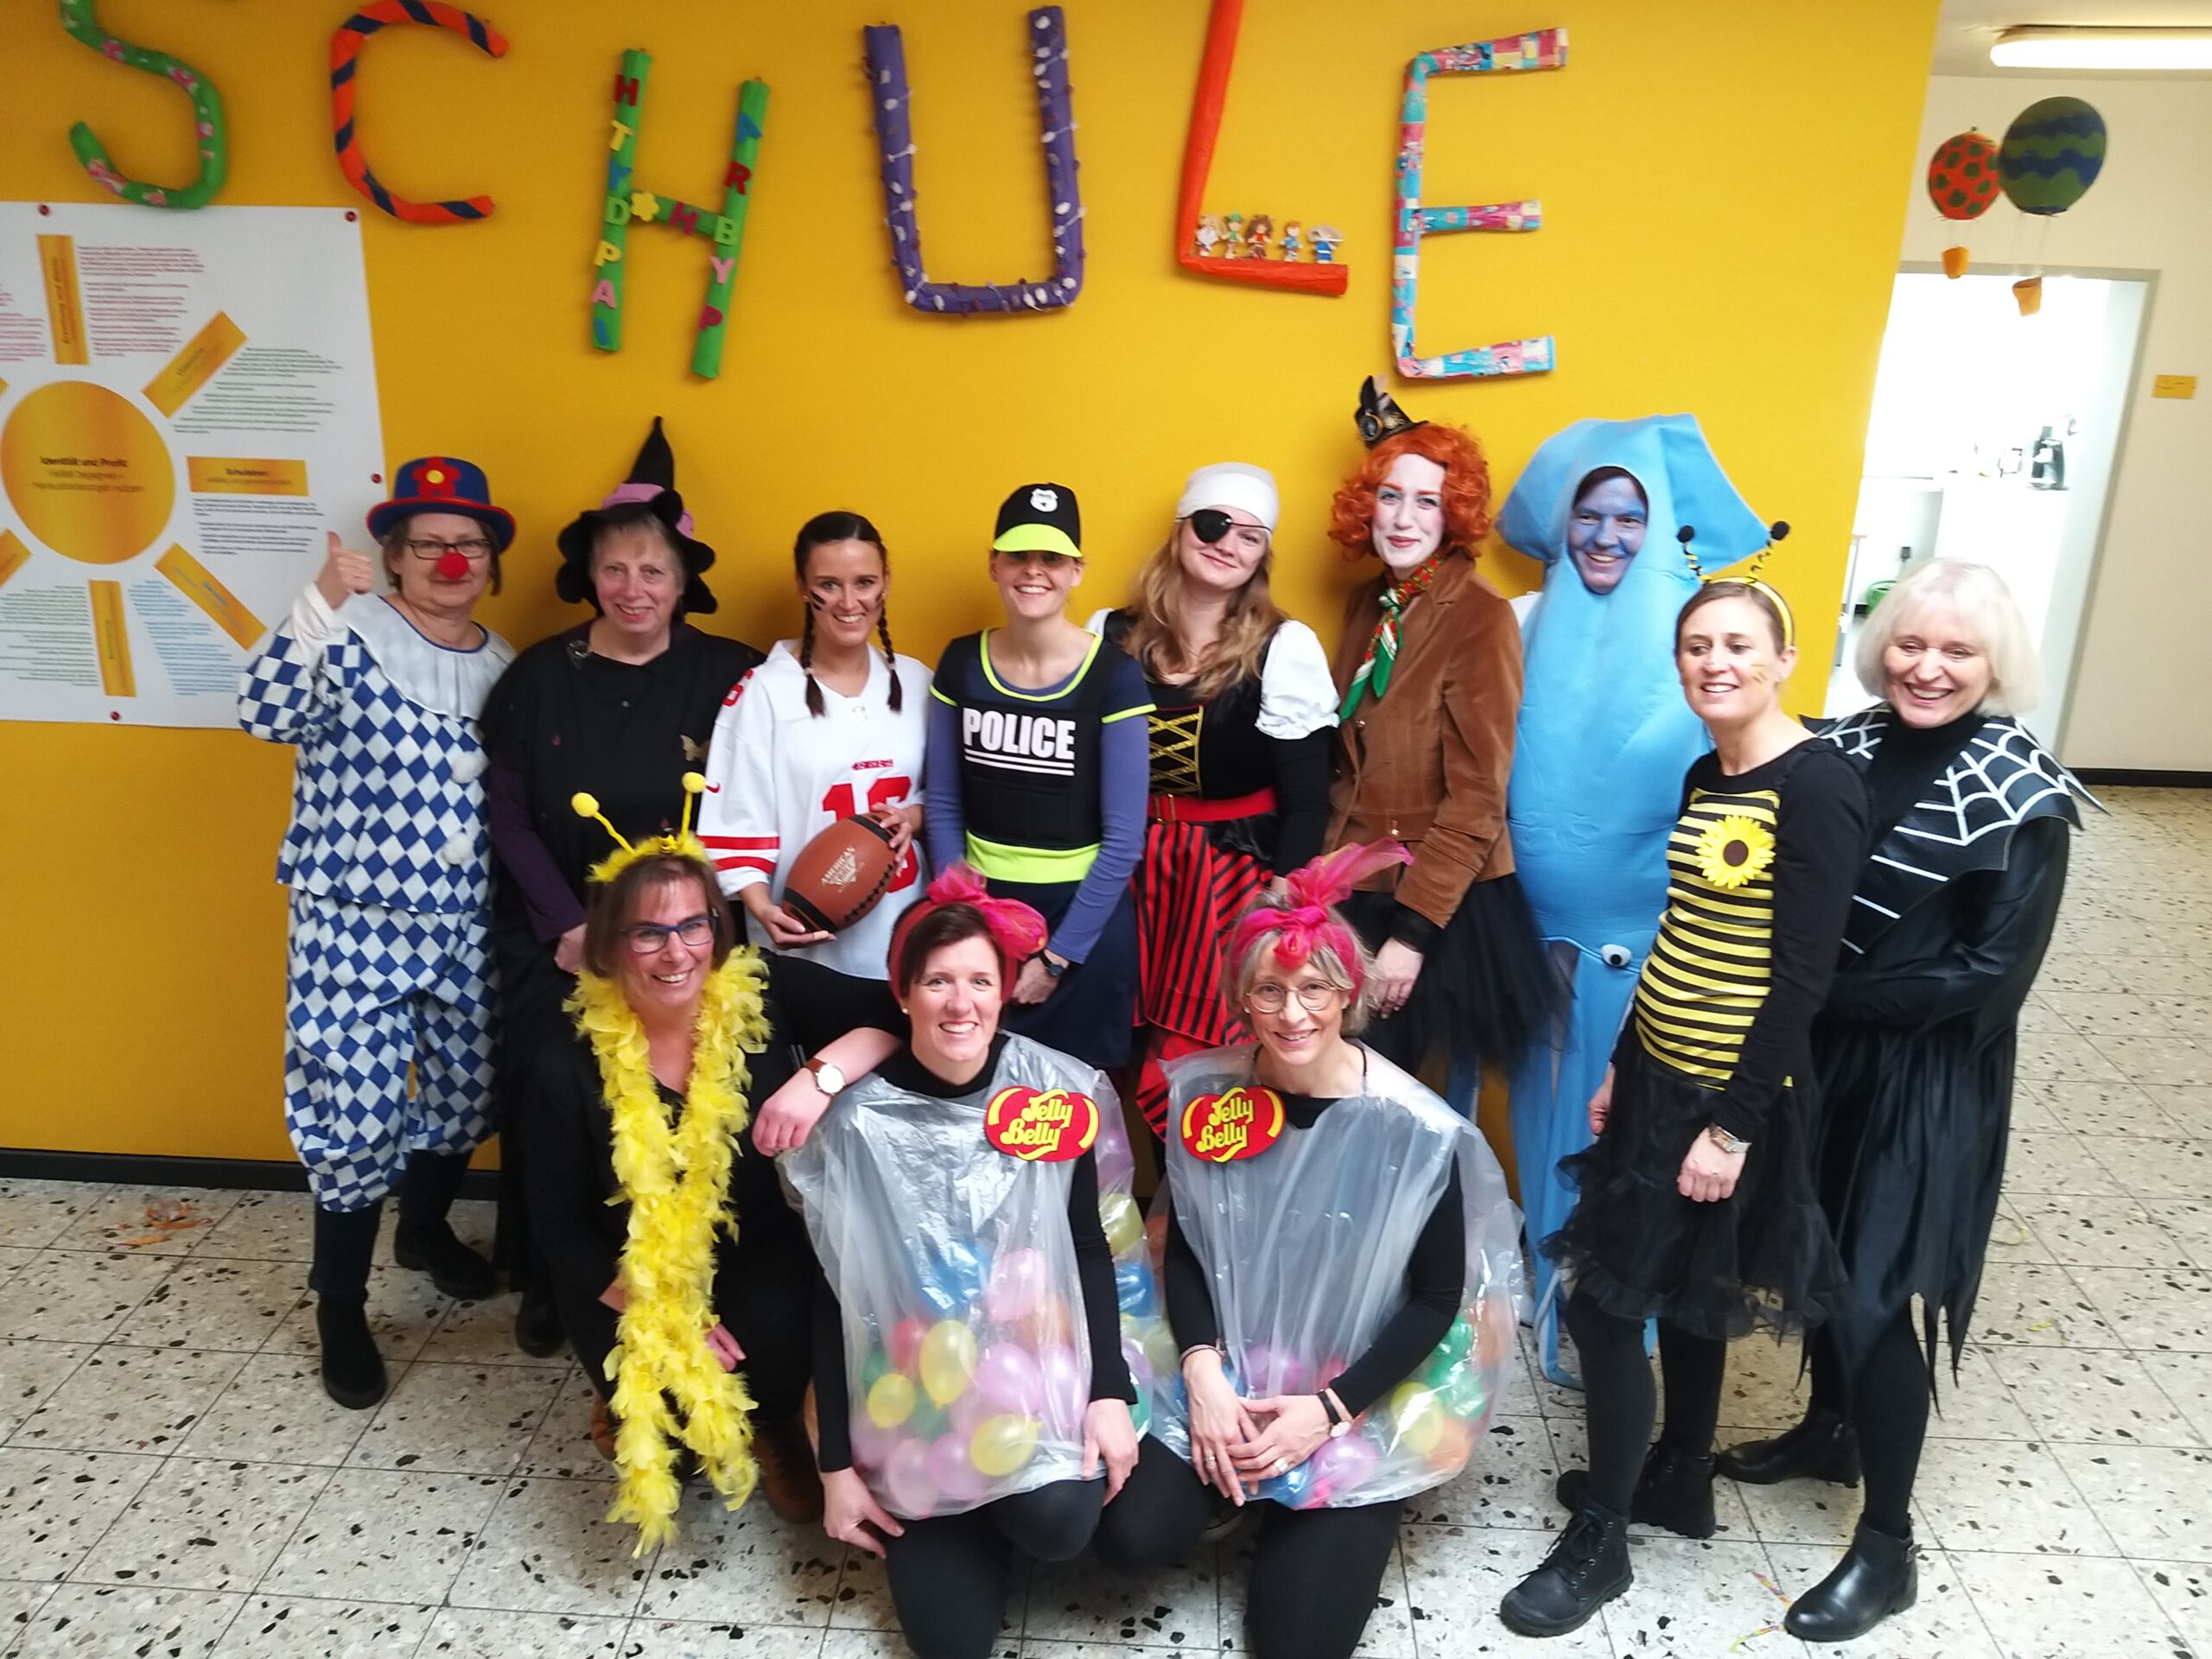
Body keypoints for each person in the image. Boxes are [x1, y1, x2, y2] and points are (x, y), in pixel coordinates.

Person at [1715, 559, 2091, 1643]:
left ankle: (1888, 1549)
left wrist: (1820, 998)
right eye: (1909, 644)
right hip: (1825, 1059)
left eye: (1957, 651)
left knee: (1877, 1290)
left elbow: (1988, 975)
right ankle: (1829, 1429)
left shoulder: (2023, 797)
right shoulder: (1841, 747)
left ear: (1994, 663)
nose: (1927, 668)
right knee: (1818, 1251)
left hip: (1926, 1079)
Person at [1499, 577, 1868, 1639]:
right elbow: (1683, 934)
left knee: (1607, 1308)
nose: (1716, 662)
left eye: (1740, 644)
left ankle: (1603, 1539)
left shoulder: (1817, 787)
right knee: (1690, 1291)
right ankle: (1678, 1476)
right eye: (1697, 645)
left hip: (1728, 1097)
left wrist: (1730, 1128)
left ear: (1784, 659)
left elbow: (1800, 982)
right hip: (1659, 1075)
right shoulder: (1710, 772)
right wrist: (1623, 1062)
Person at [1090, 842, 1523, 1659]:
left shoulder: (1415, 1131)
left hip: (1352, 1391)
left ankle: (1288, 1497)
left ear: (1349, 993)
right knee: (1127, 1537)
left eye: (1314, 988)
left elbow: (1436, 1299)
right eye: (1270, 990)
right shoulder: (1206, 1095)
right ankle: (1238, 1488)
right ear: (1241, 997)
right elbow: (1186, 1250)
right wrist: (1202, 1372)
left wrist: (1327, 1412)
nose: (1293, 1014)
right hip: (1228, 1371)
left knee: (1300, 1645)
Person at [784, 868, 1145, 1659]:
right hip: (910, 1395)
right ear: (902, 993)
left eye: (980, 981)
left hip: (1029, 1366)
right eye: (937, 981)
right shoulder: (857, 1125)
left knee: (1060, 1526)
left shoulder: (1051, 1093)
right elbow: (834, 1295)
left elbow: (1087, 1246)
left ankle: (1005, 1505)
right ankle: (967, 1517)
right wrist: (835, 1468)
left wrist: (1107, 1392)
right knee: (948, 1645)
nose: (961, 1002)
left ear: (1006, 990)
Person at [1495, 416, 1775, 1386]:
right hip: (1533, 941)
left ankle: (1629, 1325)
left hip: (1655, 958)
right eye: (1589, 514)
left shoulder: (1699, 638)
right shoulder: (1524, 622)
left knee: (1634, 1139)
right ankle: (1550, 1297)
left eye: (1629, 516)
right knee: (1544, 1122)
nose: (1606, 535)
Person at [238, 457, 516, 1410]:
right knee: (355, 1113)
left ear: (490, 561)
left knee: (468, 1095)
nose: (450, 560)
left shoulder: (503, 663)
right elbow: (262, 713)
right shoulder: (346, 634)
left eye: (467, 543)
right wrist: (317, 602)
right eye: (429, 543)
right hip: (353, 923)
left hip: (466, 925)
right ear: (393, 554)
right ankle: (341, 1305)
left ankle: (423, 1230)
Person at [483, 418, 762, 1357]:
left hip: (690, 940)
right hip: (561, 935)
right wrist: (571, 928)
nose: (633, 588)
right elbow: (509, 813)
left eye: (653, 570)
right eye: (615, 569)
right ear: (590, 576)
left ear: (682, 583)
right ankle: (553, 1274)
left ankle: (697, 1270)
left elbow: (766, 797)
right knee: (552, 1101)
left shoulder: (731, 674)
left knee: (689, 1104)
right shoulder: (539, 676)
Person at [524, 791, 822, 1536]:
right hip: (623, 1271)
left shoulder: (758, 996)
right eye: (649, 933)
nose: (677, 951)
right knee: (674, 1446)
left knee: (777, 1358)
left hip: (752, 1247)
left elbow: (889, 1014)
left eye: (694, 925)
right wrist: (669, 1317)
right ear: (610, 943)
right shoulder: (565, 1059)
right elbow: (557, 1227)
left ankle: (774, 1422)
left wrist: (822, 1078)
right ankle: (618, 1399)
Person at [1087, 462, 1338, 1135]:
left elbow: (1308, 800)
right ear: (1180, 530)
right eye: (1213, 524)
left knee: (1208, 1062)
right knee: (1105, 1037)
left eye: (1250, 536)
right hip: (1124, 865)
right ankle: (1113, 1192)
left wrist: (1282, 904)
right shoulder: (1108, 634)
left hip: (1228, 876)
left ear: (1262, 557)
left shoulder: (1285, 647)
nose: (1228, 543)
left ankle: (1193, 1193)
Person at [1325, 377, 1549, 1111]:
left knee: (1398, 1109)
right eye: (1390, 495)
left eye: (1427, 500)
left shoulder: (1480, 615)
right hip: (1355, 886)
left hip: (1432, 900)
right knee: (1337, 1094)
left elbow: (1480, 795)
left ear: (1453, 513)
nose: (1403, 517)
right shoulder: (1370, 603)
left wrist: (1412, 936)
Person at [925, 483, 1152, 1070]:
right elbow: (944, 803)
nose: (1033, 571)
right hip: (981, 911)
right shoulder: (961, 662)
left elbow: (1125, 838)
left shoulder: (1114, 677)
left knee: (1074, 1105)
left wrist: (1058, 957)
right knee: (975, 1092)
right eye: (1018, 556)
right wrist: (964, 918)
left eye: (1051, 558)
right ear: (994, 565)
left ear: (1076, 571)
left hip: (1082, 922)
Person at [700, 511, 930, 1052]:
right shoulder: (763, 692)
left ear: (886, 582)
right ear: (803, 586)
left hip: (909, 946)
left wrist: (913, 816)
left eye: (864, 582)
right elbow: (736, 821)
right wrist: (762, 909)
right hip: (808, 956)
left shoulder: (918, 681)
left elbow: (950, 797)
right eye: (829, 584)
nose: (849, 602)